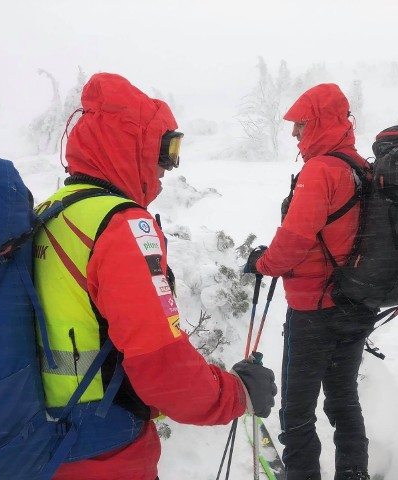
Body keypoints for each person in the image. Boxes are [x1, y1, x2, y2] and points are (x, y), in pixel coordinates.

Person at [33, 73, 277, 480]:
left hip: (41, 443)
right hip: (104, 451)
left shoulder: (53, 211)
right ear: (131, 146)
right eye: (164, 149)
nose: (167, 167)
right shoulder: (123, 226)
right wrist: (237, 394)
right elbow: (161, 368)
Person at [244, 83, 376, 480]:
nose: (294, 134)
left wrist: (262, 264)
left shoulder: (320, 170)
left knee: (297, 409)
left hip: (314, 310)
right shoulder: (360, 168)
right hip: (355, 305)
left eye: (300, 124)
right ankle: (354, 473)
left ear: (318, 122)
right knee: (343, 399)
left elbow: (295, 241)